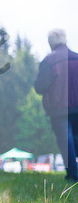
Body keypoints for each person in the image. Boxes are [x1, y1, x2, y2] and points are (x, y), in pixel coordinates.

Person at [33, 28, 78, 181]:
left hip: (59, 108)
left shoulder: (49, 61)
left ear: (50, 43)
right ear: (65, 40)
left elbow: (40, 87)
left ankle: (73, 175)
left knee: (66, 141)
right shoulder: (76, 58)